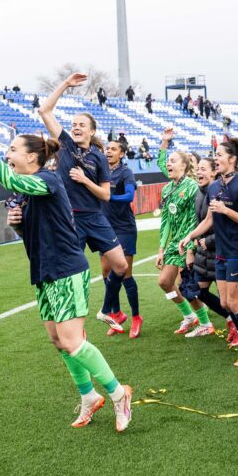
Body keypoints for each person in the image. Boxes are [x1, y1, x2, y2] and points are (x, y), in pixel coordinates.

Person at [0, 119, 134, 431]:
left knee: (74, 342)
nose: (8, 154)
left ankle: (119, 394)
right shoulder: (28, 191)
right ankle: (88, 396)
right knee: (58, 341)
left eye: (13, 150)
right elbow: (35, 234)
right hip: (43, 272)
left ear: (32, 158)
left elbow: (10, 180)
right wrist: (18, 224)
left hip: (66, 270)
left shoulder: (48, 179)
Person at [39, 73, 130, 334]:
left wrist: (83, 180)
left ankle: (106, 309)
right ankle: (74, 323)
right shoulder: (64, 145)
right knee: (73, 273)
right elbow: (45, 110)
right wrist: (66, 85)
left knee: (121, 266)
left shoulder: (100, 158)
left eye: (82, 124)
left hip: (95, 217)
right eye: (74, 124)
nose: (76, 127)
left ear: (91, 131)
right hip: (69, 220)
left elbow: (105, 195)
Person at [179, 138, 238, 365]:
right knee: (226, 303)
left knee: (235, 303)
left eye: (219, 155)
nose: (215, 158)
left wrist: (227, 211)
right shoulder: (215, 186)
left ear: (232, 159)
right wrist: (190, 236)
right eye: (215, 155)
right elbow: (209, 219)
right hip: (222, 253)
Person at [156, 129, 214, 337]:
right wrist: (162, 248)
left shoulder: (192, 187)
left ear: (183, 165)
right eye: (168, 161)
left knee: (187, 285)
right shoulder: (166, 189)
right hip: (173, 245)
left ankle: (206, 322)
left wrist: (190, 245)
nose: (168, 164)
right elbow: (166, 222)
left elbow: (195, 219)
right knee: (164, 283)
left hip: (188, 243)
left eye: (173, 161)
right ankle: (189, 316)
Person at [191, 157, 237, 342]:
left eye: (203, 169)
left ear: (214, 172)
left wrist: (208, 240)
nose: (199, 172)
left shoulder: (220, 193)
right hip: (203, 253)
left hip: (220, 250)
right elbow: (200, 222)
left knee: (228, 299)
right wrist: (192, 245)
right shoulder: (200, 193)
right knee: (198, 290)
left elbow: (228, 226)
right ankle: (230, 320)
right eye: (197, 169)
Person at [102, 139, 142, 337]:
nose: (108, 151)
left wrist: (109, 197)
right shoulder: (99, 171)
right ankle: (117, 314)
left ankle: (136, 317)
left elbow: (129, 196)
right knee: (106, 273)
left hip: (124, 228)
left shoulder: (125, 172)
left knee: (125, 274)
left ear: (121, 154)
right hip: (104, 228)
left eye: (113, 149)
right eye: (107, 148)